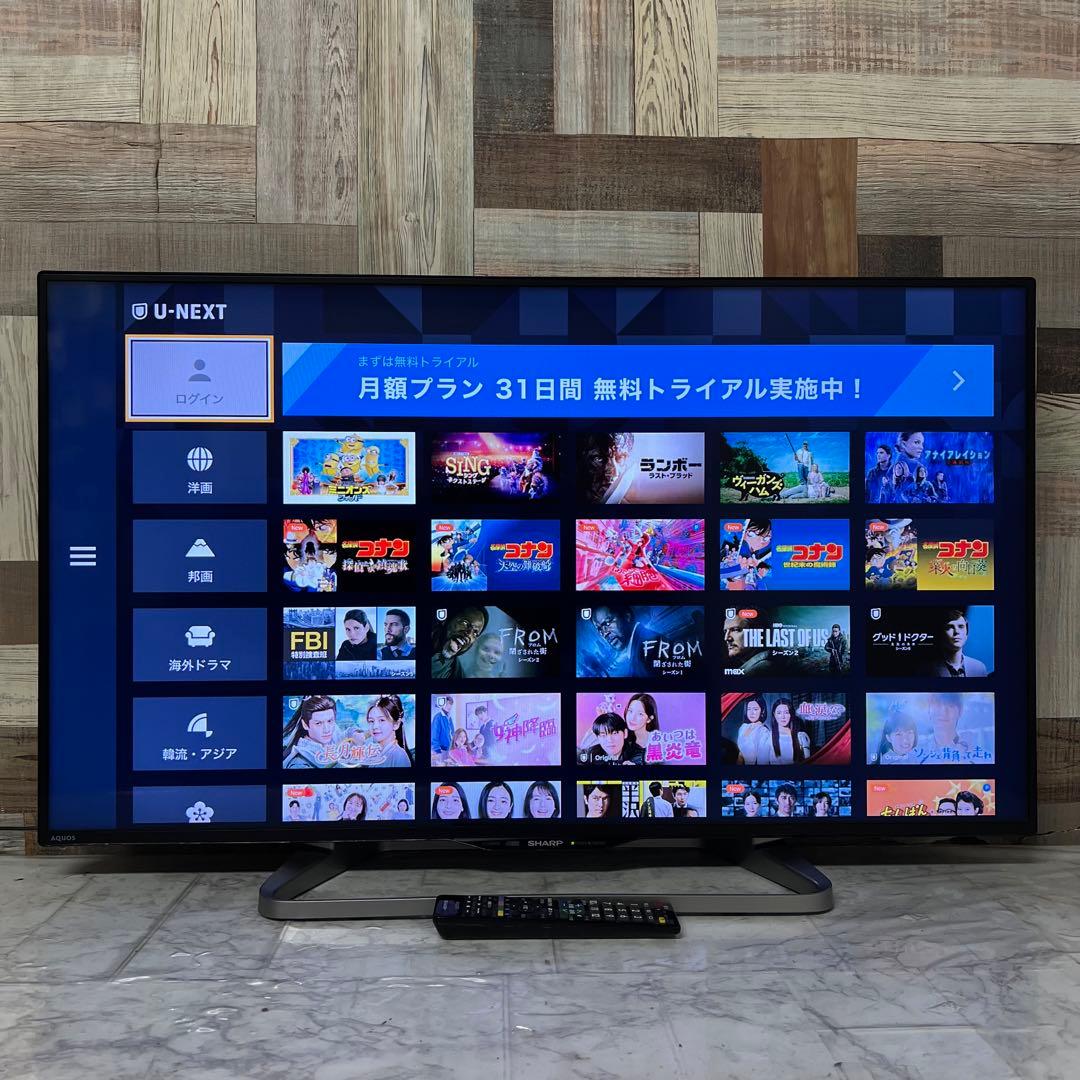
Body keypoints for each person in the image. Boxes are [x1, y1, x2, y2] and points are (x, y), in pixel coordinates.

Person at [587, 604, 662, 678]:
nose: (605, 633)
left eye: (608, 622)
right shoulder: (640, 647)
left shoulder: (645, 652)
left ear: (627, 616)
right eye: (599, 629)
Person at [926, 608, 988, 677]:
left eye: (961, 627)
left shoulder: (979, 668)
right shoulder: (927, 671)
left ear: (966, 634)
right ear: (941, 634)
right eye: (950, 627)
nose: (956, 632)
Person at [355, 694, 412, 767]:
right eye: (371, 721)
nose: (375, 726)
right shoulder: (375, 753)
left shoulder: (400, 756)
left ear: (396, 724)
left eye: (381, 720)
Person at [283, 694, 340, 768]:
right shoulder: (299, 763)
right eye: (318, 723)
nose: (326, 730)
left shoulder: (331, 740)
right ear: (305, 724)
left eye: (330, 721)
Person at [431, 605, 488, 678]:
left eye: (475, 633)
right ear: (446, 620)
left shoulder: (458, 674)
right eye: (465, 623)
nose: (469, 634)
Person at [923, 692, 974, 763]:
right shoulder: (913, 752)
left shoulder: (976, 756)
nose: (943, 712)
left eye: (950, 706)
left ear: (960, 711)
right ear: (929, 709)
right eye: (938, 705)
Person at [578, 712, 645, 765]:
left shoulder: (640, 755)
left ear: (625, 733)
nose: (610, 740)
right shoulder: (591, 753)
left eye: (615, 733)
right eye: (603, 735)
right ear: (598, 738)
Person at [768, 698, 811, 764]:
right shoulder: (768, 737)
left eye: (786, 712)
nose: (783, 717)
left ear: (791, 714)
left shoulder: (800, 736)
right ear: (774, 714)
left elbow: (809, 761)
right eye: (779, 713)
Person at [736, 694, 771, 765]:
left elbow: (763, 762)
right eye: (749, 709)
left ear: (762, 711)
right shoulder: (743, 727)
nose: (751, 713)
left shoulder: (764, 732)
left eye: (755, 709)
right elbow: (740, 754)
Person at [623, 693, 660, 758]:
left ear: (649, 719)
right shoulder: (623, 738)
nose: (632, 718)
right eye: (630, 711)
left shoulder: (656, 743)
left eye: (640, 714)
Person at [430, 696, 455, 760]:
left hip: (449, 749)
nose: (449, 706)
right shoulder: (438, 717)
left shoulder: (449, 717)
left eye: (450, 704)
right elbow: (434, 736)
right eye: (447, 703)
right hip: (441, 750)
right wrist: (438, 751)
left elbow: (452, 733)